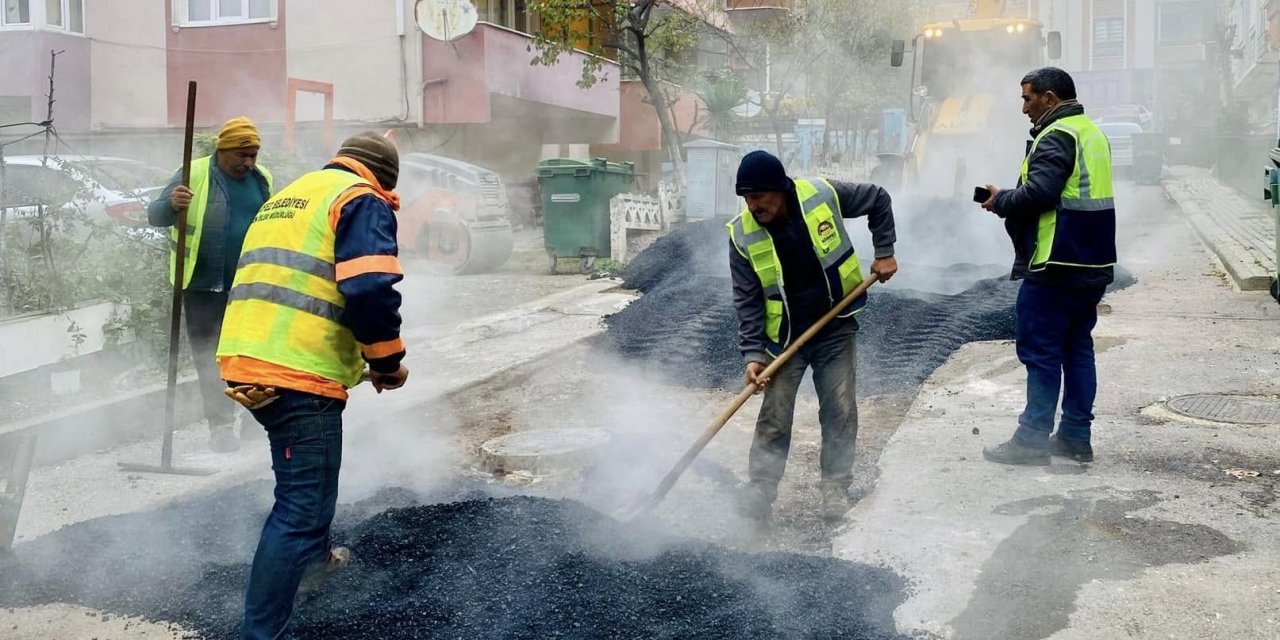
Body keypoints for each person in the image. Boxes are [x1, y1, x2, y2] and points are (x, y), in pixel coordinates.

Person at [215, 132, 409, 640]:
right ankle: (260, 634)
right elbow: (368, 287)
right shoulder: (360, 199)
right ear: (383, 180)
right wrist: (387, 361)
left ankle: (318, 564)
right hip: (296, 372)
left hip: (249, 358)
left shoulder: (291, 196)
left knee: (311, 485)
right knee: (301, 507)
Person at [728, 150, 898, 526]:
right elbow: (748, 299)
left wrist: (884, 251)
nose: (753, 205)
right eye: (746, 197)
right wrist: (753, 353)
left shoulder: (822, 194)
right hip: (785, 339)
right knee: (774, 416)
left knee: (839, 409)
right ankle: (760, 492)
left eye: (759, 196)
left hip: (834, 325)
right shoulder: (742, 234)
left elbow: (878, 199)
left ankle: (835, 488)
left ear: (780, 189)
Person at [978, 67, 1117, 465]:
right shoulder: (1090, 131)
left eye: (1028, 98)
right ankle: (1075, 437)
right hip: (1092, 262)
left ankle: (1031, 439)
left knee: (1041, 352)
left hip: (1056, 262)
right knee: (1077, 349)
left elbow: (1039, 194)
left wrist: (1000, 200)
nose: (1023, 108)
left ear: (1050, 98)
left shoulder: (1056, 136)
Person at [148, 116, 273, 453]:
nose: (248, 162)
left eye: (253, 155)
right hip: (202, 285)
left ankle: (253, 421)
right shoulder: (195, 173)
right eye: (241, 155)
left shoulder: (263, 180)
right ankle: (220, 428)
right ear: (223, 150)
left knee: (251, 355)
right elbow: (155, 216)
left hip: (250, 284)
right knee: (211, 359)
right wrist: (172, 205)